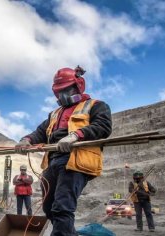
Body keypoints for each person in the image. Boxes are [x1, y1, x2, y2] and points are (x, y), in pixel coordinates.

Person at [15, 66, 112, 236]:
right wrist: (26, 140)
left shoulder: (96, 106)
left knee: (62, 207)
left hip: (75, 161)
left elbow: (103, 126)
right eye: (59, 92)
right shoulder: (55, 113)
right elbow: (40, 132)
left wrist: (76, 136)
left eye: (66, 90)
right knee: (48, 206)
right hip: (53, 162)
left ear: (78, 86)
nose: (62, 95)